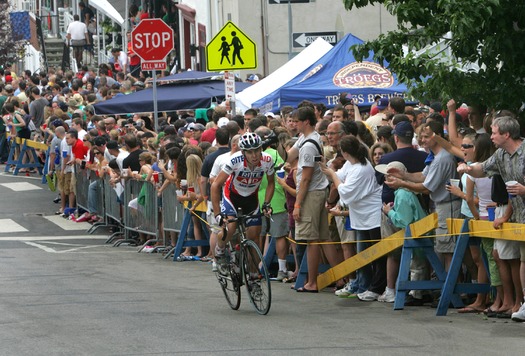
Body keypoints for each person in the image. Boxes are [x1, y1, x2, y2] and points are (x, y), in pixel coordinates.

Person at [457, 116, 525, 321]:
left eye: (494, 132)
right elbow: (483, 168)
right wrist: (469, 169)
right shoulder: (501, 155)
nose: (491, 136)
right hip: (520, 216)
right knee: (523, 259)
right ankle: (523, 303)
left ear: (506, 134)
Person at [286, 106, 342, 292]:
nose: (294, 124)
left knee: (311, 240)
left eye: (297, 121)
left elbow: (307, 178)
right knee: (323, 238)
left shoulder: (309, 144)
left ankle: (312, 282)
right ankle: (341, 278)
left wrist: (298, 204)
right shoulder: (307, 138)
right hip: (318, 191)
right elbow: (287, 156)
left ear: (306, 122)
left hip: (311, 193)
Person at [211, 132, 275, 272]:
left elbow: (271, 183)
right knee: (231, 228)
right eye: (250, 152)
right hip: (232, 197)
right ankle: (220, 250)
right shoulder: (235, 160)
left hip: (251, 199)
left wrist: (267, 203)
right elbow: (215, 185)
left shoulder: (267, 160)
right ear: (243, 152)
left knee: (254, 240)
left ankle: (253, 277)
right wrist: (217, 214)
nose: (254, 155)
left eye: (257, 150)